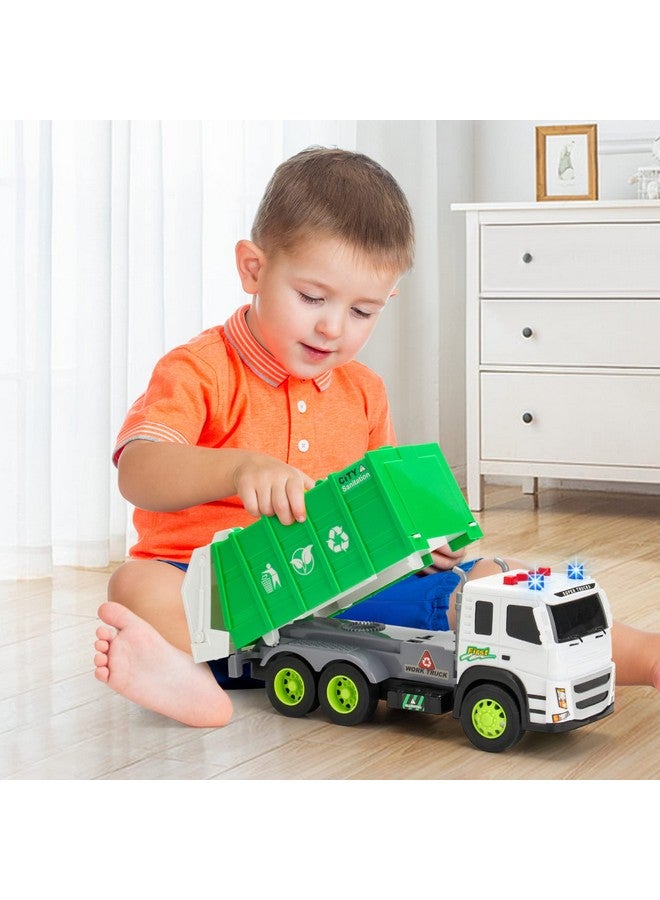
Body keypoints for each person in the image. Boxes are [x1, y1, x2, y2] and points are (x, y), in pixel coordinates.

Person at [94, 147, 660, 728]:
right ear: (253, 269)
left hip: (338, 594)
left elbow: (386, 514)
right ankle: (181, 672)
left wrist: (427, 544)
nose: (332, 327)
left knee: (494, 580)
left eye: (362, 311)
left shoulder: (364, 390)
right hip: (210, 592)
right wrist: (237, 470)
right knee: (134, 584)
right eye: (312, 298)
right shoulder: (198, 370)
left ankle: (645, 656)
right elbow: (138, 470)